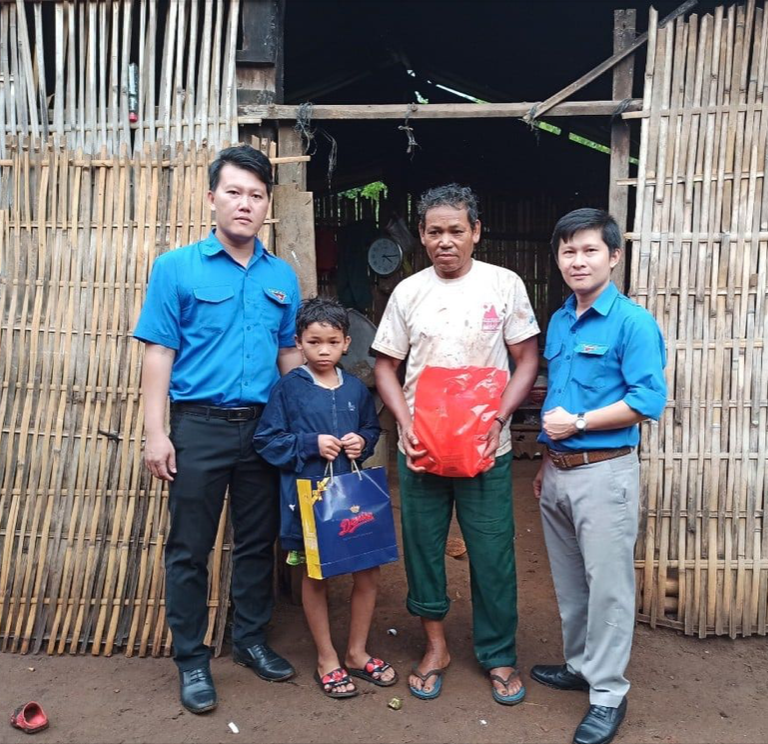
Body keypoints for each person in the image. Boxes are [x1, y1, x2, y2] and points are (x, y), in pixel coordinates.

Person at [133, 144, 302, 714]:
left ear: (267, 205)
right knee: (189, 548)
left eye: (256, 195)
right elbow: (159, 352)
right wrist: (156, 432)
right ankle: (191, 659)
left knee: (257, 542)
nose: (245, 204)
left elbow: (288, 354)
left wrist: (302, 423)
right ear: (212, 198)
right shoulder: (176, 268)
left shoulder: (281, 275)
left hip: (263, 429)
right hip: (198, 427)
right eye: (234, 192)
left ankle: (250, 639)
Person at [372, 184, 540, 705]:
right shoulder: (408, 293)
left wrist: (499, 418)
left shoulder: (503, 285)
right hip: (422, 449)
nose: (445, 241)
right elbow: (385, 367)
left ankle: (498, 653)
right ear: (422, 236)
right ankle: (436, 647)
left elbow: (527, 360)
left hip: (488, 449)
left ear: (476, 232)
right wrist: (405, 424)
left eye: (456, 230)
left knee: (493, 552)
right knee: (423, 551)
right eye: (434, 232)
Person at [531, 208, 667, 744]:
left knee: (608, 587)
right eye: (568, 251)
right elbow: (559, 395)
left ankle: (608, 694)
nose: (578, 261)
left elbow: (648, 400)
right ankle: (581, 665)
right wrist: (547, 459)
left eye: (589, 250)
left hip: (605, 473)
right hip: (559, 472)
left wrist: (581, 423)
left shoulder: (633, 322)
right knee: (570, 583)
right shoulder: (561, 319)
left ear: (613, 256)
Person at [253, 296, 396, 700]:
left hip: (352, 498)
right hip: (309, 498)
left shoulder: (355, 388)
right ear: (299, 343)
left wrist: (361, 441)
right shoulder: (288, 389)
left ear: (347, 343)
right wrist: (309, 444)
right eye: (314, 342)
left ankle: (356, 652)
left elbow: (371, 429)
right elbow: (267, 440)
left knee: (368, 571)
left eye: (332, 342)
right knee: (316, 574)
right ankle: (326, 657)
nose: (323, 351)